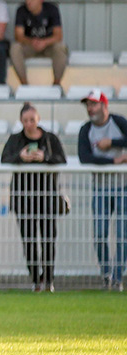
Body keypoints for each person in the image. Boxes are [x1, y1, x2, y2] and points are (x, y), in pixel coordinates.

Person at [1, 103, 67, 292]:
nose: (29, 124)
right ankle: (35, 279)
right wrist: (21, 157)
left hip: (47, 197)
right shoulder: (15, 139)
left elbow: (61, 159)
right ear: (21, 121)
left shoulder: (49, 139)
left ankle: (48, 279)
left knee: (48, 239)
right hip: (23, 198)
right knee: (28, 240)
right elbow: (5, 158)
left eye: (32, 120)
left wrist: (44, 157)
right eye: (25, 120)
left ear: (38, 119)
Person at [77, 91, 127, 291]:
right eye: (88, 105)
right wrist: (114, 160)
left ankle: (117, 278)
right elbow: (85, 157)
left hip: (123, 186)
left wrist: (113, 143)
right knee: (99, 233)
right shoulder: (86, 130)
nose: (90, 109)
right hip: (100, 188)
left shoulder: (118, 122)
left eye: (94, 104)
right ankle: (106, 272)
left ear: (104, 106)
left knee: (123, 234)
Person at [11, 0, 68, 86]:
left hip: (48, 46)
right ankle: (24, 85)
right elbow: (18, 35)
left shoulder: (52, 9)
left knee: (60, 48)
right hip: (29, 46)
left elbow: (58, 35)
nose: (28, 1)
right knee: (15, 48)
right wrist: (32, 41)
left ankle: (56, 84)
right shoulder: (21, 10)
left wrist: (44, 42)